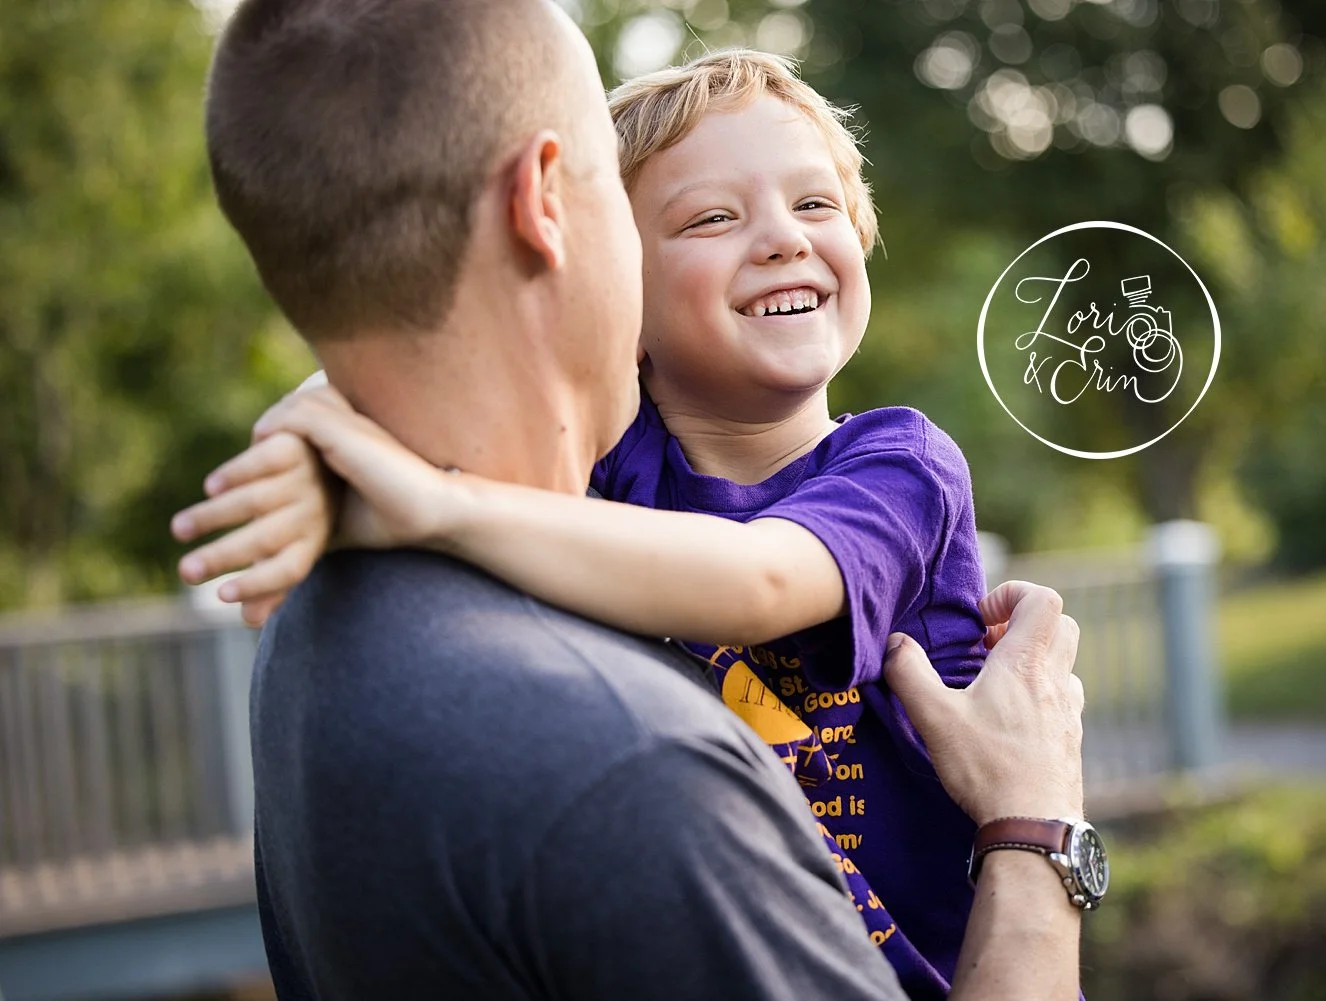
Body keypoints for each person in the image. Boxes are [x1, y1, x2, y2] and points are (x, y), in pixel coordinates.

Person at [192, 0, 1090, 997]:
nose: (782, 239)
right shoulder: (624, 462)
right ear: (608, 266)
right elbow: (403, 325)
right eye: (713, 217)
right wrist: (307, 442)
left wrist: (436, 505)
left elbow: (759, 581)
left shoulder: (900, 466)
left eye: (817, 204)